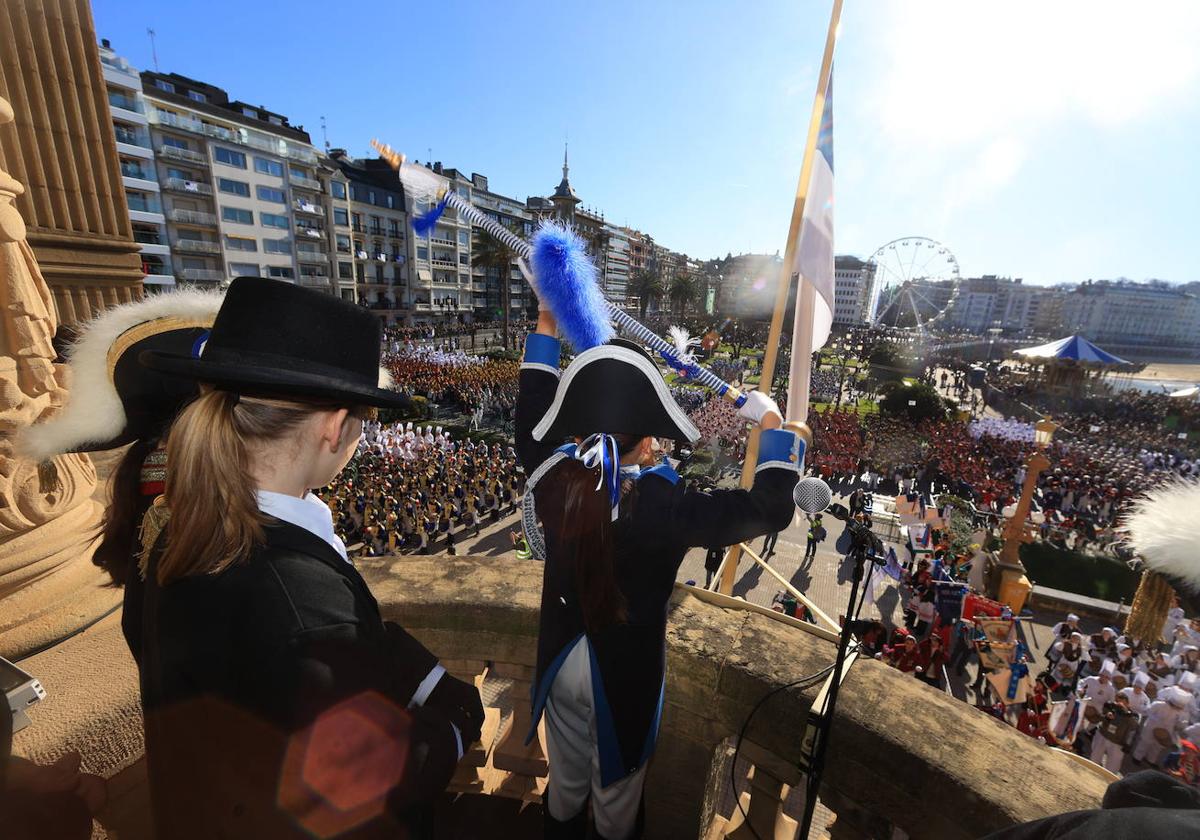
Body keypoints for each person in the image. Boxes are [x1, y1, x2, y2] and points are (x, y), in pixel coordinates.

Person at [131, 279, 483, 838]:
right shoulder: (300, 598)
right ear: (334, 427)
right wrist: (457, 728)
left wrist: (400, 660)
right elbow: (368, 785)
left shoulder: (176, 530)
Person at [515, 307, 803, 839]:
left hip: (558, 659)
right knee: (616, 800)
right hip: (621, 672)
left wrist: (546, 319)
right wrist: (770, 423)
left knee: (566, 788)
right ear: (648, 441)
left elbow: (531, 410)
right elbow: (769, 507)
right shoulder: (670, 507)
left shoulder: (552, 474)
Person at [1090, 693, 1136, 772]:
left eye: (1122, 702)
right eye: (1117, 701)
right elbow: (1099, 717)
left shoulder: (1133, 715)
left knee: (1112, 768)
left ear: (1128, 704)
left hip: (1117, 743)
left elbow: (1134, 726)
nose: (1119, 704)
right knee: (1094, 759)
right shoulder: (1110, 706)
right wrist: (1106, 717)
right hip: (1103, 735)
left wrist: (1126, 713)